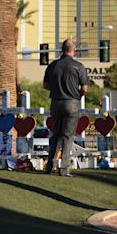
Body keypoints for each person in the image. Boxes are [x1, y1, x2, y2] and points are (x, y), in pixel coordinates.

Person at [43, 38, 89, 176]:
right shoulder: (78, 66)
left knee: (55, 135)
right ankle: (64, 169)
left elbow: (45, 85)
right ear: (73, 50)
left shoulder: (52, 66)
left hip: (56, 103)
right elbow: (85, 89)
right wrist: (77, 96)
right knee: (67, 136)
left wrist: (57, 90)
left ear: (62, 49)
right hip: (71, 103)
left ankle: (49, 166)